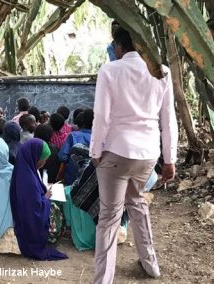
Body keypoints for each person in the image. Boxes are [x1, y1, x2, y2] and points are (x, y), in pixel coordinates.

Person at [90, 27, 178, 283]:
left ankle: (103, 280)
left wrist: (95, 152)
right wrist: (169, 159)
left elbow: (102, 118)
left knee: (108, 218)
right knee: (138, 204)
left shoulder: (110, 70)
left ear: (119, 47)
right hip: (148, 153)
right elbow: (168, 119)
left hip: (116, 152)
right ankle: (151, 266)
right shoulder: (162, 71)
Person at [10, 138, 68, 260]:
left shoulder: (26, 169)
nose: (45, 162)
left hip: (27, 216)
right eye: (44, 159)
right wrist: (46, 198)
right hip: (30, 226)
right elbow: (33, 210)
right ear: (35, 157)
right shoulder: (28, 179)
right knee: (57, 209)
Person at [59, 109, 93, 185]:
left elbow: (62, 157)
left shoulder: (73, 136)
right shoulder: (100, 140)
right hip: (90, 182)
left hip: (71, 179)